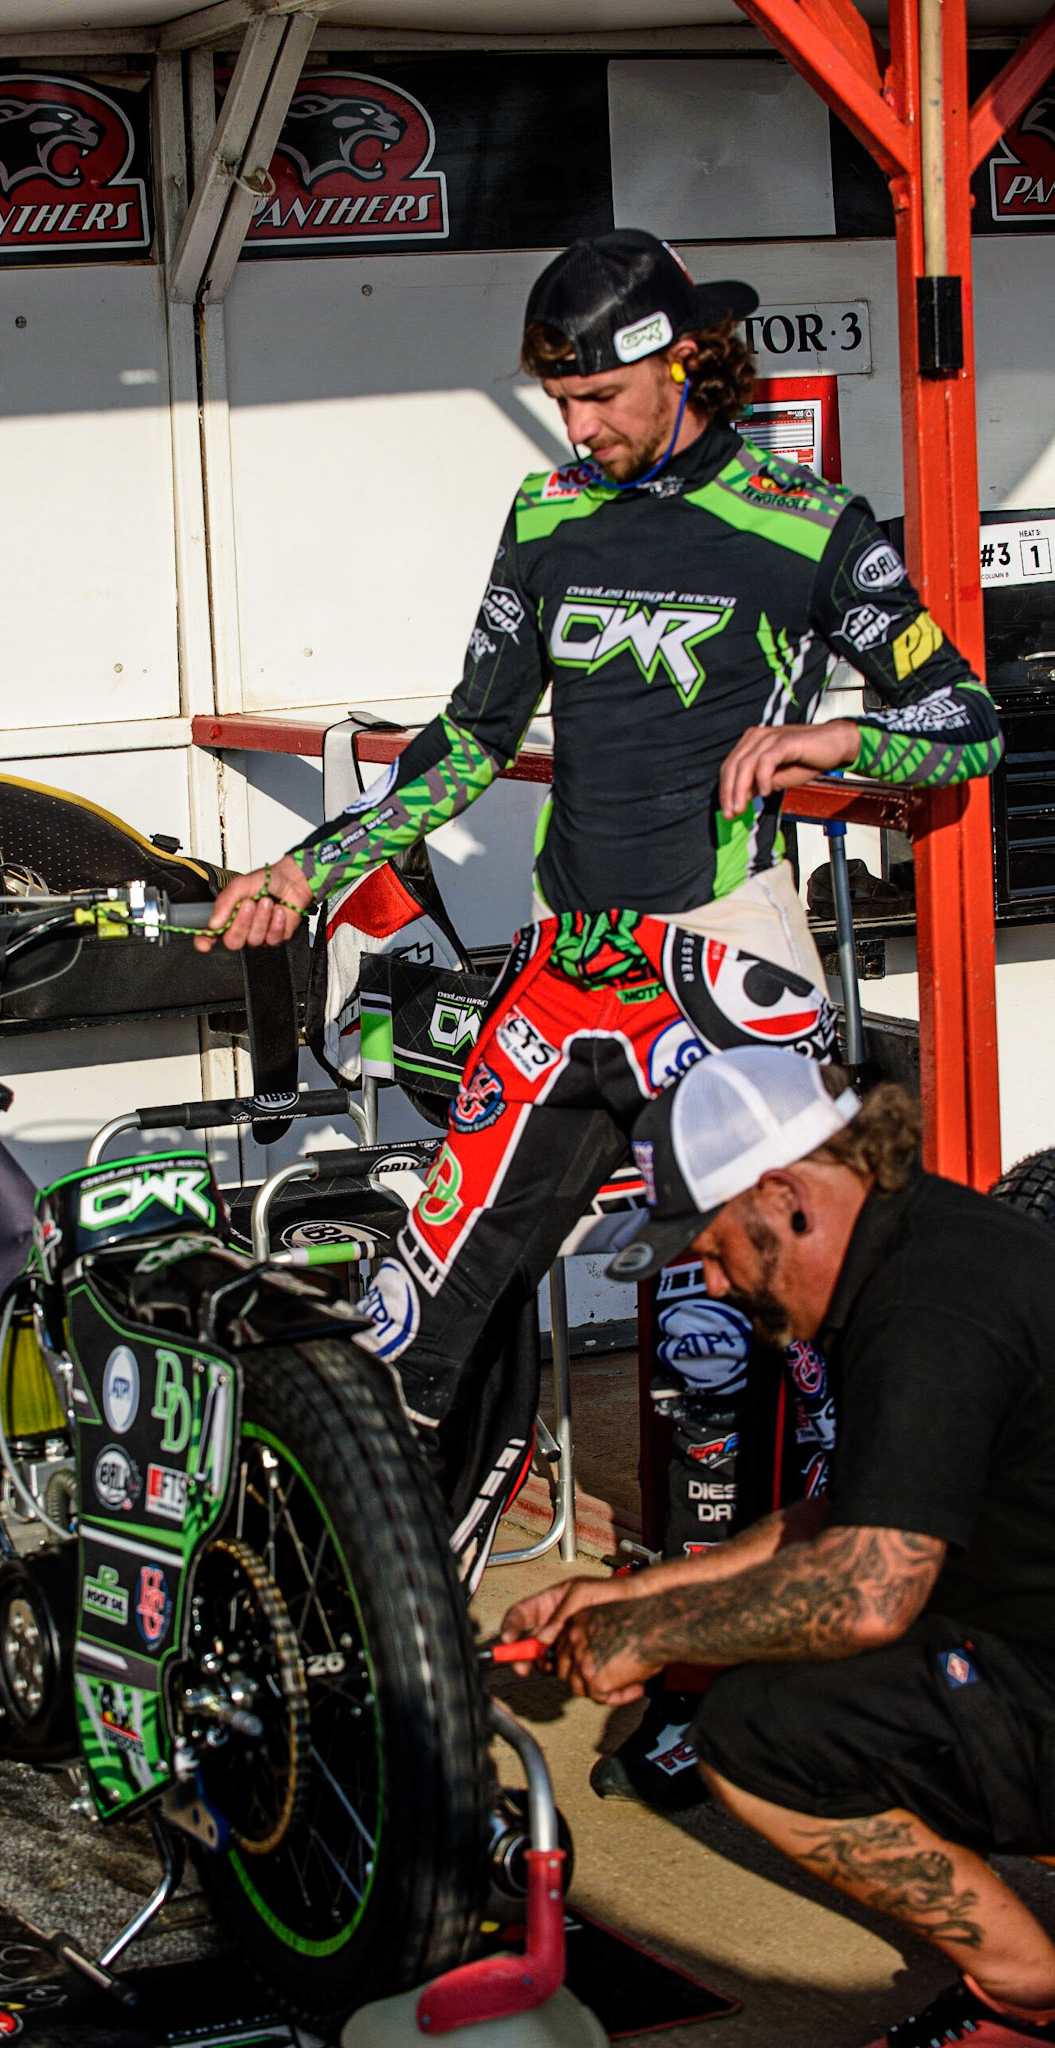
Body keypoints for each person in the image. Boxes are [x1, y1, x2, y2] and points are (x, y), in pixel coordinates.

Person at [194, 228, 1001, 1594]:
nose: (575, 428)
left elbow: (960, 727)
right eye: (558, 402)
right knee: (418, 1308)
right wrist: (309, 870)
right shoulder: (548, 514)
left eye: (597, 401)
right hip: (566, 968)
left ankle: (722, 1671)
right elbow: (462, 742)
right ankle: (382, 1642)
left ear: (684, 364)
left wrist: (830, 749)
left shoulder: (806, 526)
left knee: (741, 1342)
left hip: (722, 966)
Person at [503, 1045, 1055, 2048]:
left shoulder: (924, 1311)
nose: (711, 1283)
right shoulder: (926, 1241)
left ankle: (1026, 1990)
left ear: (781, 1193)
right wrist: (627, 1600)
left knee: (761, 1727)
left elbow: (866, 1591)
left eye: (713, 1249)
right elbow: (845, 1517)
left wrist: (655, 1636)